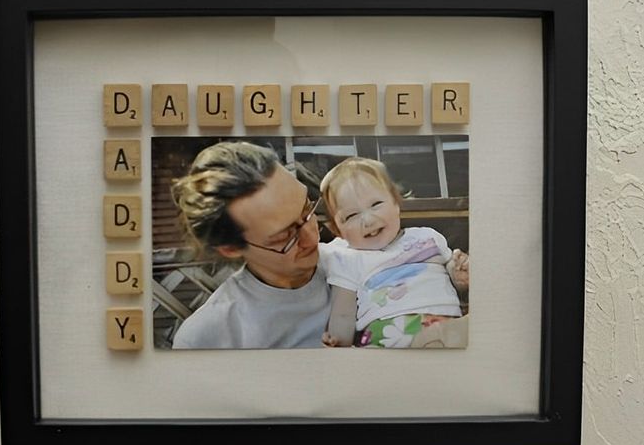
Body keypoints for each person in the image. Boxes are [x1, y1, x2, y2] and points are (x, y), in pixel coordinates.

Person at [170, 141, 331, 349]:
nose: (312, 237)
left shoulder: (359, 262)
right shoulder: (209, 337)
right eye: (284, 236)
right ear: (230, 248)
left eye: (307, 210)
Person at [318, 157, 469, 348]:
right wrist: (338, 340)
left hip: (447, 324)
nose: (368, 220)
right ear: (338, 231)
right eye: (351, 215)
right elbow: (342, 313)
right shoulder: (348, 258)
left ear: (396, 203)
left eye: (376, 205)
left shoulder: (427, 237)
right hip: (387, 334)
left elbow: (451, 280)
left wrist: (459, 276)